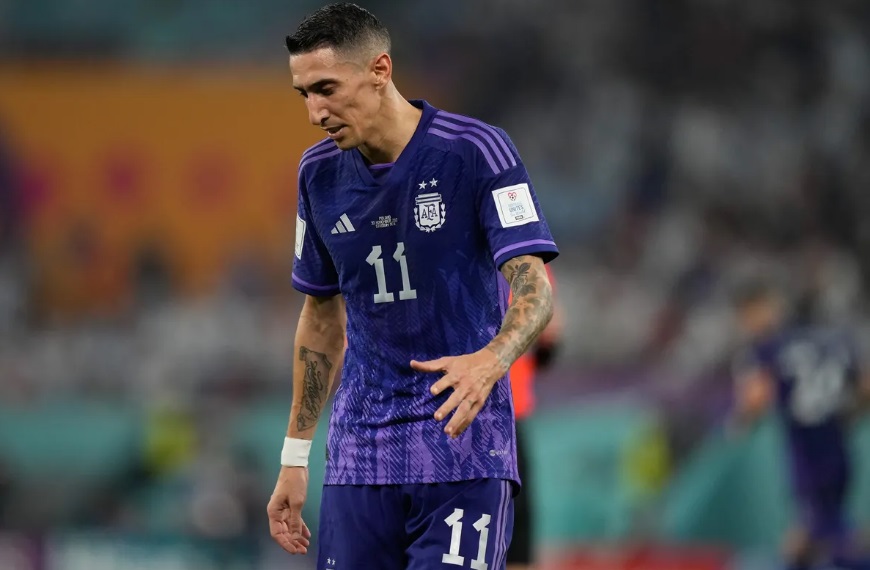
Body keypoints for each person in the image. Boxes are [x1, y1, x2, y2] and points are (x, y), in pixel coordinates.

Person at [266, 4, 559, 569]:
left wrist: (491, 361)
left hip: (464, 448)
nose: (314, 112)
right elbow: (321, 319)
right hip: (360, 455)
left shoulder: (476, 151)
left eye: (326, 89)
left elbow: (534, 285)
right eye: (303, 94)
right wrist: (295, 455)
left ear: (380, 70)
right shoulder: (317, 174)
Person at [730, 281, 870, 570]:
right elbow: (865, 388)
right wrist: (846, 416)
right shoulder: (837, 340)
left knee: (824, 535)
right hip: (839, 449)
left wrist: (739, 422)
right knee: (820, 527)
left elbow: (755, 397)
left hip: (807, 453)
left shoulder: (769, 347)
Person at [506, 266, 561, 570]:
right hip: (509, 413)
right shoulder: (527, 260)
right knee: (516, 529)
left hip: (450, 409)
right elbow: (551, 337)